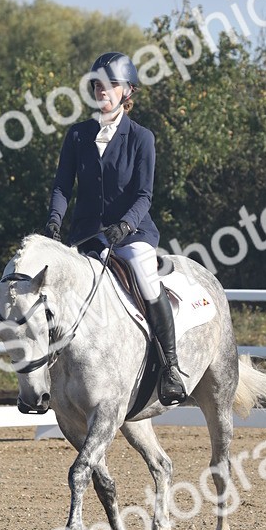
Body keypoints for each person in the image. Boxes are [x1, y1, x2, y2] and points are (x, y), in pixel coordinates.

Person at [43, 51, 187, 406]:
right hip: (86, 236)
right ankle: (47, 375)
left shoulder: (141, 137)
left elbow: (144, 194)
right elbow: (63, 186)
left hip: (132, 234)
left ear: (128, 92)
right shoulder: (78, 135)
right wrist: (54, 222)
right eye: (97, 84)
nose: (101, 89)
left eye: (110, 84)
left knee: (144, 275)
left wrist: (125, 225)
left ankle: (170, 367)